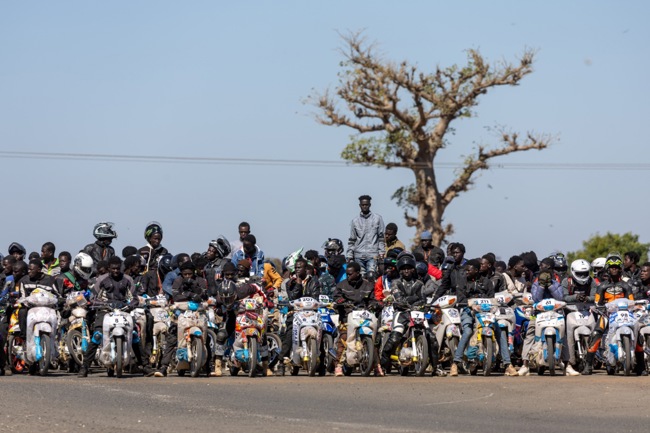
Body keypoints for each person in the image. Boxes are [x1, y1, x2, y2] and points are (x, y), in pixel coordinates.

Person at [78, 256, 153, 377]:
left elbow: (134, 297)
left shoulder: (127, 279)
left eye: (118, 268)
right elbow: (92, 296)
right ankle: (84, 367)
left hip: (123, 310)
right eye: (113, 269)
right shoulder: (102, 279)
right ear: (108, 268)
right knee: (97, 335)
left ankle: (145, 366)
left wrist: (130, 305)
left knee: (134, 335)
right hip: (105, 310)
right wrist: (99, 303)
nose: (116, 271)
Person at [380, 253, 441, 376]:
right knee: (394, 337)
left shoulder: (419, 284)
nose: (406, 271)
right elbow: (399, 298)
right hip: (401, 313)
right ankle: (382, 366)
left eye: (409, 268)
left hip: (417, 312)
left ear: (413, 269)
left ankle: (436, 367)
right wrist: (411, 300)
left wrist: (416, 303)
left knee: (432, 338)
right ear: (400, 270)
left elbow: (422, 299)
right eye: (403, 269)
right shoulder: (396, 283)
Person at [211, 262, 272, 377]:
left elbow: (258, 288)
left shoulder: (244, 288)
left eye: (230, 298)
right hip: (232, 316)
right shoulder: (220, 291)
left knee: (262, 335)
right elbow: (216, 305)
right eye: (225, 299)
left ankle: (266, 366)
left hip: (249, 314)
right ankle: (217, 365)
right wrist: (219, 309)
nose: (228, 301)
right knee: (221, 335)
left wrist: (265, 301)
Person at [582, 254, 637, 375]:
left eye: (616, 267)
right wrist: (601, 308)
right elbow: (597, 302)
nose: (614, 269)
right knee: (596, 334)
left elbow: (631, 302)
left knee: (637, 332)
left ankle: (641, 366)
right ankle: (588, 365)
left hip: (623, 314)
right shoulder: (602, 286)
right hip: (607, 315)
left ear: (620, 268)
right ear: (607, 268)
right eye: (612, 267)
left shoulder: (626, 286)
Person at [154, 261, 209, 377]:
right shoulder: (178, 281)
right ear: (181, 274)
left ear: (194, 272)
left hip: (198, 312)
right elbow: (176, 296)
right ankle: (163, 367)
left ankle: (208, 366)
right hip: (181, 312)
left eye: (190, 274)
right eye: (185, 274)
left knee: (207, 337)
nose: (187, 276)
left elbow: (204, 295)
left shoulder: (200, 280)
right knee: (172, 337)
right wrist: (190, 295)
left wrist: (195, 288)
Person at [332, 262, 381, 376]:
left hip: (364, 316)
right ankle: (338, 365)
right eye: (347, 274)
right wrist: (341, 302)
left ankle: (377, 366)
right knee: (344, 337)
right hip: (346, 317)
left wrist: (375, 304)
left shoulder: (368, 285)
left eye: (350, 274)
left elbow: (373, 299)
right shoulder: (341, 285)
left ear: (358, 273)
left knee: (374, 339)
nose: (348, 276)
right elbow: (336, 297)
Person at [517, 270, 565, 376]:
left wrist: (550, 286)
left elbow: (560, 298)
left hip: (555, 314)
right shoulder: (536, 284)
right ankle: (525, 364)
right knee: (530, 334)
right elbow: (536, 299)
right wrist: (541, 286)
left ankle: (567, 364)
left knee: (564, 335)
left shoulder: (556, 284)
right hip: (539, 315)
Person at [279, 257, 321, 364]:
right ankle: (282, 360)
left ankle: (321, 360)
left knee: (322, 329)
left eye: (300, 267)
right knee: (290, 332)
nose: (297, 270)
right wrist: (298, 284)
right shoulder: (290, 283)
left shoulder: (314, 281)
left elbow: (315, 297)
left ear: (306, 269)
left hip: (311, 312)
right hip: (295, 313)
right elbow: (292, 298)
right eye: (296, 268)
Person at [561, 259, 597, 376]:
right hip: (570, 311)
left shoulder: (591, 281)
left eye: (585, 273)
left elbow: (595, 296)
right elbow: (564, 297)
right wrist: (575, 297)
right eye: (579, 274)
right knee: (565, 333)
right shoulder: (566, 281)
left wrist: (587, 298)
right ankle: (568, 360)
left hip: (587, 310)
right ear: (573, 271)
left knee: (596, 330)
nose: (582, 276)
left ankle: (596, 356)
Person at [17, 259, 60, 341]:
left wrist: (59, 300)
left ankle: (57, 336)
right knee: (22, 311)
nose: (29, 271)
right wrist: (26, 302)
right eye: (28, 269)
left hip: (47, 308)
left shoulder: (50, 280)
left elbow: (57, 295)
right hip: (30, 308)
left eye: (31, 270)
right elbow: (23, 297)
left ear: (39, 270)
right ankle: (24, 338)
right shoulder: (24, 280)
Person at [346, 195, 385, 276]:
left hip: (373, 255)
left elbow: (381, 238)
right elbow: (352, 240)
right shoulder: (355, 221)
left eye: (366, 205)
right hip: (358, 255)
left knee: (371, 276)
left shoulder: (377, 218)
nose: (364, 207)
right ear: (360, 205)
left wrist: (381, 253)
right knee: (361, 277)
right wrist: (349, 255)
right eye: (363, 205)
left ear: (370, 205)